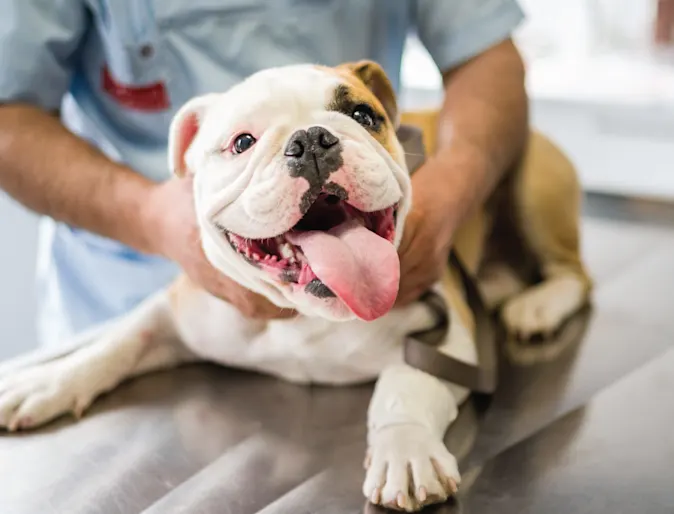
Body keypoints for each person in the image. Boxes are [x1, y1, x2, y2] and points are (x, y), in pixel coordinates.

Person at [0, 0, 528, 349]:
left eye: (359, 114)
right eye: (246, 143)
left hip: (381, 302)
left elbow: (484, 53)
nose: (309, 148)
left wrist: (452, 187)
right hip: (128, 299)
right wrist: (153, 217)